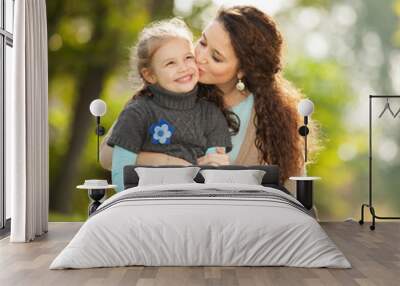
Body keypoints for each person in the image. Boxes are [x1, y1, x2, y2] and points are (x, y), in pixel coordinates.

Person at [100, 6, 319, 194]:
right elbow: (107, 155)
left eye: (216, 57)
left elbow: (294, 191)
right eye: (202, 42)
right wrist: (168, 162)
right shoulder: (166, 89)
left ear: (242, 70)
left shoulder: (270, 118)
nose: (200, 57)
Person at [107, 18, 232, 192]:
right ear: (150, 75)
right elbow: (121, 174)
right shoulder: (137, 113)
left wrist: (215, 167)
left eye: (188, 57)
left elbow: (215, 172)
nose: (183, 68)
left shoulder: (211, 114)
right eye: (170, 63)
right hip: (147, 201)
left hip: (195, 200)